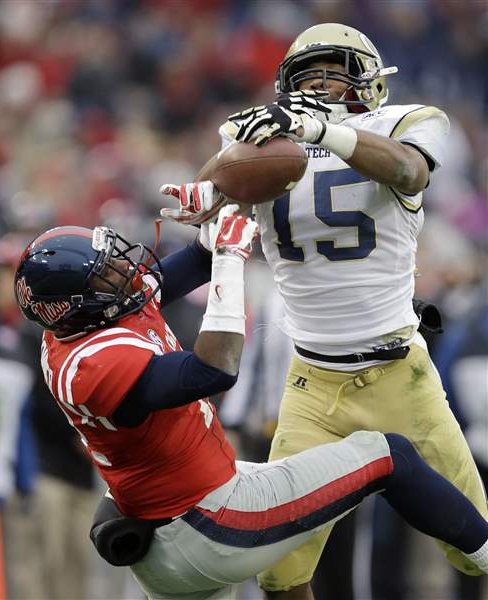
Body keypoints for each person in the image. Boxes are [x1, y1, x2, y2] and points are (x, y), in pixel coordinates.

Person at [159, 23, 488, 599]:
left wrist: (319, 128)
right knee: (280, 573)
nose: (321, 84)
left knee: (478, 550)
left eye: (336, 71)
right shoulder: (260, 138)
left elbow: (409, 171)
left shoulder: (410, 122)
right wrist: (209, 192)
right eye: (308, 75)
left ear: (369, 80)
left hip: (401, 374)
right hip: (313, 385)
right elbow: (212, 191)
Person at [13, 215, 488, 600]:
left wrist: (217, 214)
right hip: (208, 522)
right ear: (76, 305)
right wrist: (232, 261)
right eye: (105, 274)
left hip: (169, 539)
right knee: (389, 455)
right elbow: (215, 369)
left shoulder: (88, 320)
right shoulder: (90, 366)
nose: (124, 272)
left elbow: (191, 262)